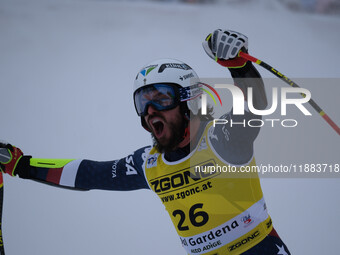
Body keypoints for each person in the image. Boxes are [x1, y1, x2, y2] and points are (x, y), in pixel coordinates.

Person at [0, 29, 291, 255]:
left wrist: (239, 66)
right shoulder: (149, 163)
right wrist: (20, 165)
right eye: (143, 102)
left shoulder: (223, 138)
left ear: (189, 100)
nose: (150, 111)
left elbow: (254, 106)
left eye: (161, 98)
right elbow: (88, 173)